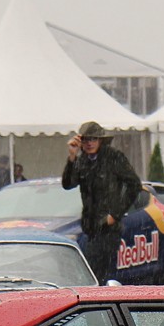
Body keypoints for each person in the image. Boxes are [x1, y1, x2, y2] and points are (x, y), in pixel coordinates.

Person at [62, 120, 142, 282]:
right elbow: (68, 184)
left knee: (100, 274)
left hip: (108, 228)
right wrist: (72, 156)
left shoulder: (114, 157)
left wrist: (115, 214)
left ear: (100, 140)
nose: (89, 143)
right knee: (92, 274)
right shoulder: (82, 160)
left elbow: (134, 185)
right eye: (85, 139)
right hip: (90, 228)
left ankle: (103, 301)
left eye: (93, 139)